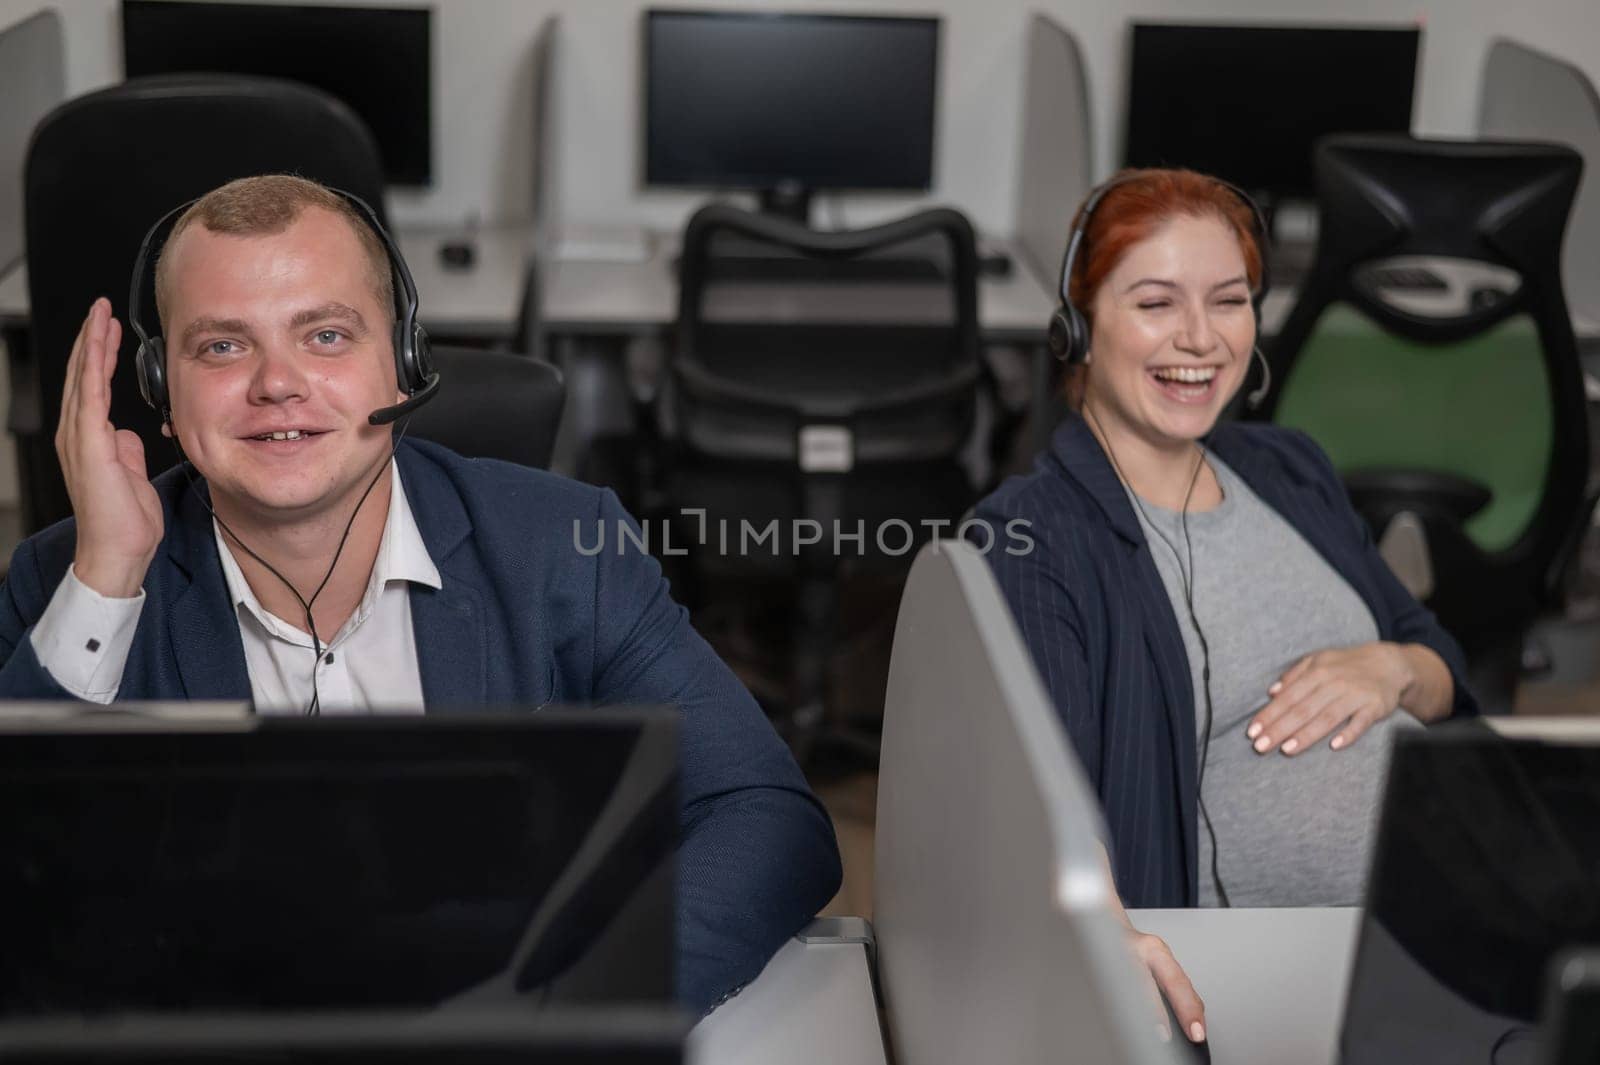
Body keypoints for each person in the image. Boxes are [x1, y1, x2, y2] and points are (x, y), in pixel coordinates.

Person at [0, 175, 841, 1014]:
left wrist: (578, 1004)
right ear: (161, 393)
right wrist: (106, 578)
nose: (277, 383)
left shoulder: (561, 547)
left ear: (403, 365)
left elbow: (762, 815)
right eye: (222, 347)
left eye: (325, 335)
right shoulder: (68, 581)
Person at [972, 168, 1478, 1043]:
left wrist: (1393, 668)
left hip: (1470, 922)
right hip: (1282, 977)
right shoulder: (1036, 534)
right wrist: (1103, 927)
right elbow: (1042, 790)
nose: (1201, 339)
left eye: (1230, 301)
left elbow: (1439, 659)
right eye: (1158, 303)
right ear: (1080, 326)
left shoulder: (1289, 468)